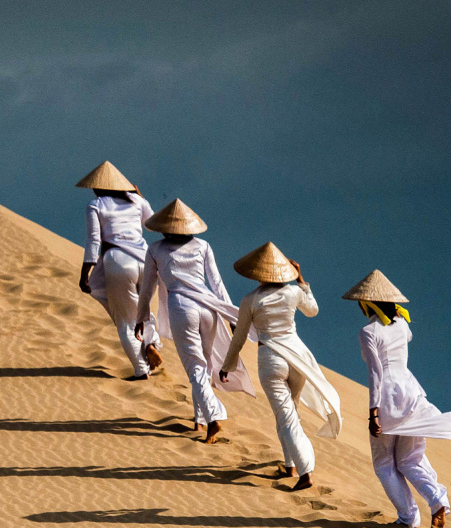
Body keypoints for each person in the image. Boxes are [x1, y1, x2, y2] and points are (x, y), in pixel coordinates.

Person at [343, 269, 451, 528]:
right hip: (412, 396)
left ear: (367, 303)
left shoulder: (368, 332)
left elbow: (375, 373)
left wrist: (373, 414)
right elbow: (406, 338)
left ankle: (408, 517)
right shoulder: (402, 324)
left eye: (361, 301)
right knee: (409, 460)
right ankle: (438, 502)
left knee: (384, 464)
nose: (358, 305)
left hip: (387, 400)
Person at [219, 243, 341, 491]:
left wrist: (227, 365)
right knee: (289, 413)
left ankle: (305, 471)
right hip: (297, 358)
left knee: (286, 417)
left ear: (256, 273)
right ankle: (290, 465)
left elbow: (239, 337)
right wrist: (302, 280)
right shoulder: (292, 292)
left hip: (270, 358)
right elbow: (313, 310)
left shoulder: (250, 300)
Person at [134, 199, 253, 444]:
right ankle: (199, 420)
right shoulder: (203, 246)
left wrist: (141, 318)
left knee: (195, 367)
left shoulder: (155, 249)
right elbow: (217, 284)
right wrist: (232, 317)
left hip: (181, 306)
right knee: (205, 364)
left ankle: (212, 418)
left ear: (164, 228)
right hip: (208, 306)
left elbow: (147, 290)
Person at [75, 161, 163, 380]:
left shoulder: (96, 205)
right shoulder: (135, 201)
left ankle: (141, 369)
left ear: (99, 187)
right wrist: (141, 197)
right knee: (142, 311)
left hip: (118, 261)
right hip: (146, 261)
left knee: (124, 319)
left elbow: (94, 241)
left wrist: (85, 273)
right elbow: (152, 224)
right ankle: (150, 343)